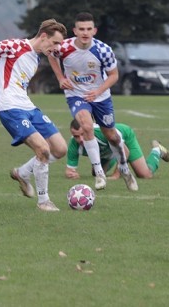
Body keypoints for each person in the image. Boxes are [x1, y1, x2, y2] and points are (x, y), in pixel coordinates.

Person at [0, 19, 68, 212]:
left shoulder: (36, 57)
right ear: (44, 36)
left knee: (60, 149)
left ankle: (22, 173)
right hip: (10, 109)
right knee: (43, 149)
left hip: (28, 106)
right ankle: (44, 201)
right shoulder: (16, 46)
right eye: (55, 43)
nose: (56, 48)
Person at [47, 12, 136, 192]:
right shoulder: (63, 47)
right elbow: (51, 55)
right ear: (75, 30)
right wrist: (60, 78)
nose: (85, 33)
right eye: (81, 29)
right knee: (86, 126)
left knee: (111, 135)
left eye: (89, 29)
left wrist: (97, 91)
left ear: (94, 30)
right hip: (76, 95)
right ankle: (99, 175)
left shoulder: (104, 50)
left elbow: (114, 76)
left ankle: (124, 168)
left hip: (101, 97)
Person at [66, 118, 169, 181]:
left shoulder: (102, 134)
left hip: (125, 138)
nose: (80, 139)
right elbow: (70, 170)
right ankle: (113, 156)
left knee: (145, 175)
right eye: (76, 136)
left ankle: (157, 150)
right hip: (107, 150)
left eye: (82, 134)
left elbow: (125, 151)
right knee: (95, 173)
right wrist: (72, 174)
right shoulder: (73, 144)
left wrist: (116, 175)